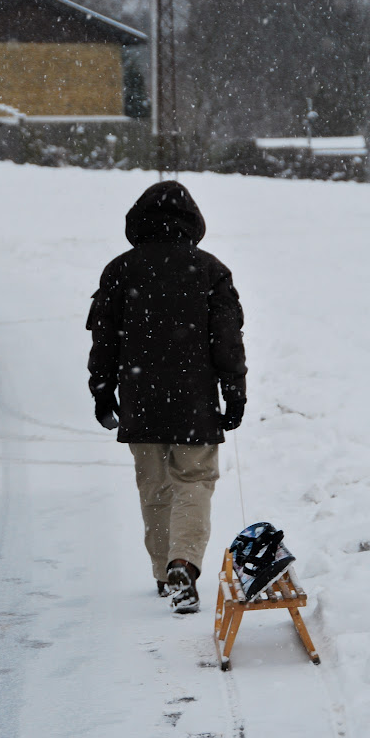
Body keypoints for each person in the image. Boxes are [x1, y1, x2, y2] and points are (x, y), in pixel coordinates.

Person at [86, 180, 247, 614]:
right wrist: (235, 393)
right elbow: (227, 340)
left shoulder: (120, 270)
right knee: (193, 481)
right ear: (193, 222)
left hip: (140, 398)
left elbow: (104, 339)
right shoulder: (210, 270)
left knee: (154, 486)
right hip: (195, 401)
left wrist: (102, 390)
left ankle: (163, 572)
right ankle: (183, 563)